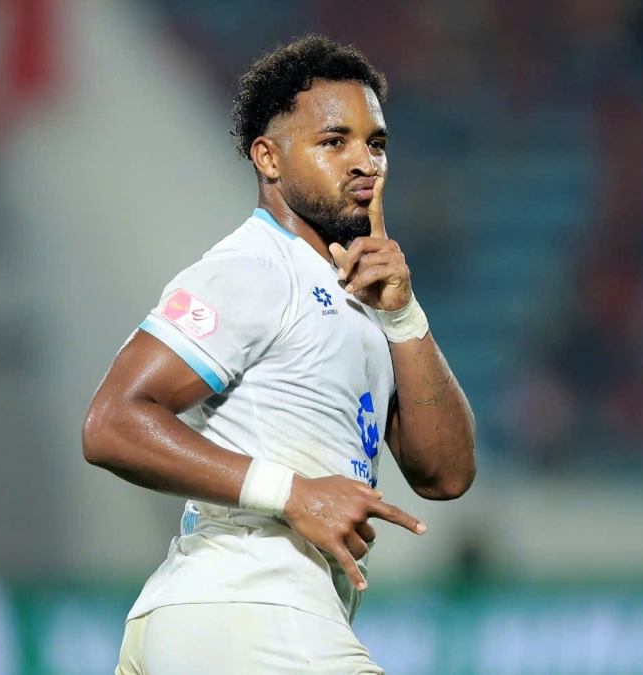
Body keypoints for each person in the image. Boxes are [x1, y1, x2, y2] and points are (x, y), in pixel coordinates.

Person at [82, 35, 476, 674]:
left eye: (375, 143)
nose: (364, 163)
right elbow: (111, 423)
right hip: (248, 603)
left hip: (228, 618)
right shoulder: (253, 269)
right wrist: (292, 493)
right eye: (334, 141)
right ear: (268, 157)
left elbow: (446, 475)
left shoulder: (363, 297)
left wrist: (404, 316)